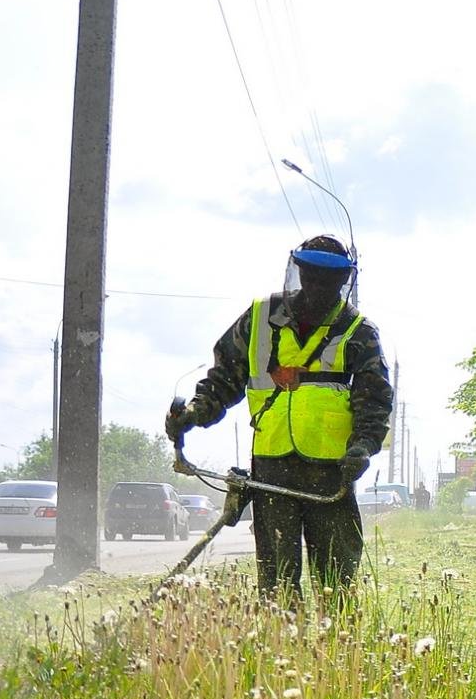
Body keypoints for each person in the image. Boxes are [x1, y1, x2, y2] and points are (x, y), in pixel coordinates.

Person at [166, 235, 392, 596]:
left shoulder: (358, 332)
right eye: (312, 276)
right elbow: (225, 378)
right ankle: (280, 642)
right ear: (298, 272)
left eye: (329, 280)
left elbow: (375, 400)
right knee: (276, 583)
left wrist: (362, 446)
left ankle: (334, 645)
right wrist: (194, 413)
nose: (318, 287)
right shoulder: (259, 319)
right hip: (272, 468)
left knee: (336, 581)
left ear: (343, 281)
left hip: (331, 471)